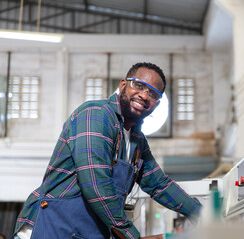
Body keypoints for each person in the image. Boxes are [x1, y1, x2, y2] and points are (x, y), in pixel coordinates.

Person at [14, 62, 202, 239]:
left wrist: (203, 213)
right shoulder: (95, 114)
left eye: (153, 94)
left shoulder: (137, 140)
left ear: (157, 105)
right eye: (138, 85)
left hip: (85, 232)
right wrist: (131, 235)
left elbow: (160, 184)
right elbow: (95, 184)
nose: (144, 96)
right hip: (51, 228)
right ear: (122, 86)